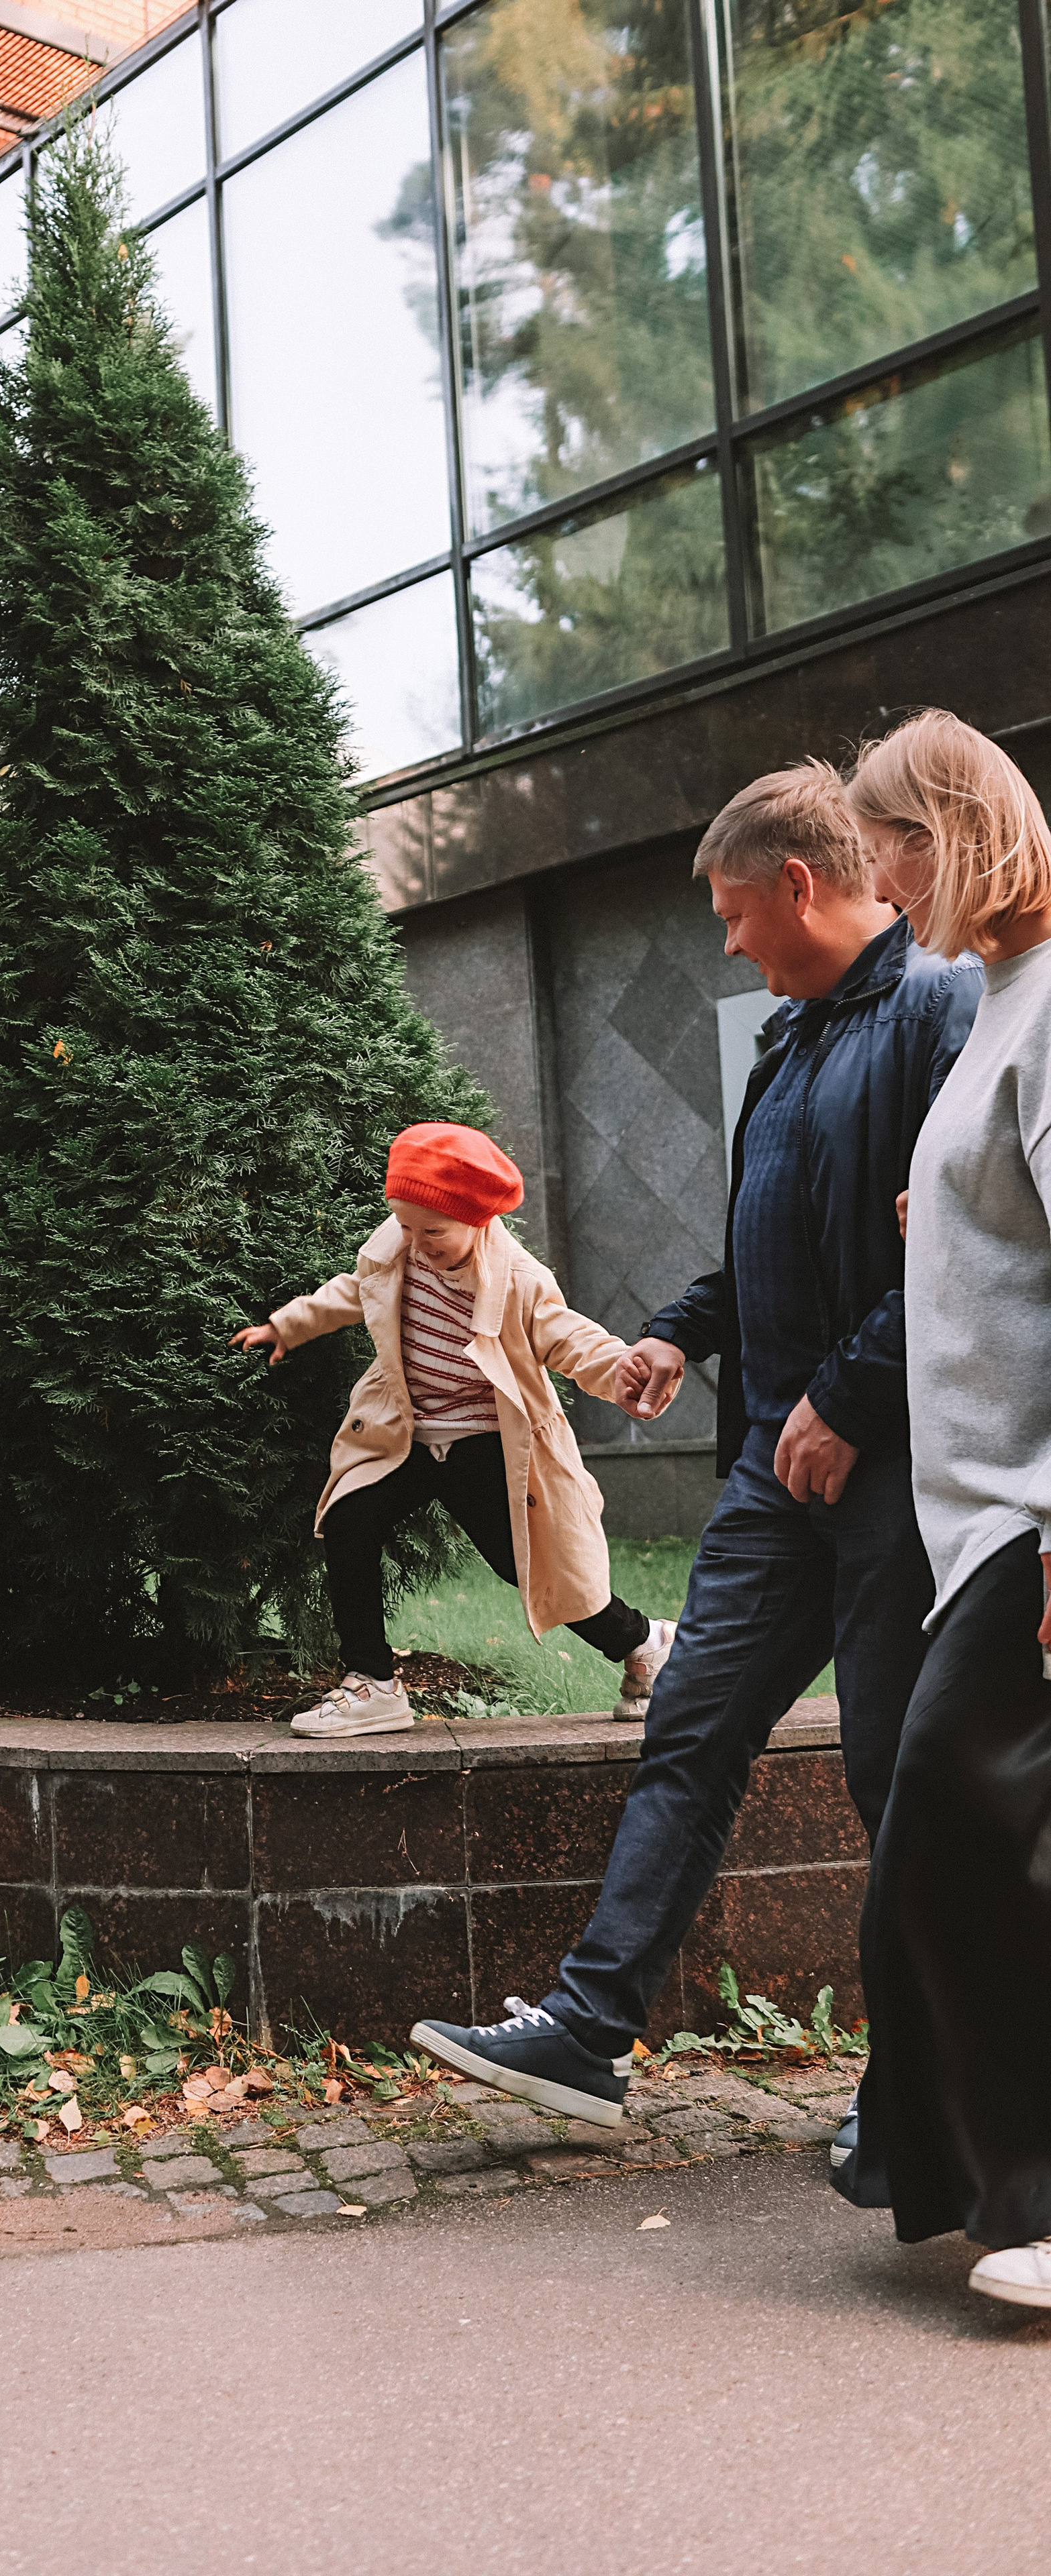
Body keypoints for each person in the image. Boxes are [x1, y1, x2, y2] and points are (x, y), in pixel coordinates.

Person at [408, 761, 981, 2124]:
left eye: (733, 914)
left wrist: (847, 1401)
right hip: (772, 1469)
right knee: (687, 1724)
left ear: (796, 883)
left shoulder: (933, 1008)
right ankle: (587, 2030)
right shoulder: (786, 1042)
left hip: (892, 1469)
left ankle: (918, 2084)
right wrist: (675, 1331)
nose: (724, 942)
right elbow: (764, 1243)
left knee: (889, 1771)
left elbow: (964, 1245)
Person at [836, 711, 1051, 2308]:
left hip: (1033, 1513)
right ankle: (960, 2171)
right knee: (968, 1839)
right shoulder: (988, 1001)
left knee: (951, 1833)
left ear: (957, 826)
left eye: (889, 841)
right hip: (975, 1513)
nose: (875, 874)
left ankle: (1024, 2194)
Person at [229, 1120, 675, 1739]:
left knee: (530, 1567)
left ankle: (646, 1642)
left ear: (479, 1220)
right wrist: (288, 1325)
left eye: (432, 1232)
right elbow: (354, 1292)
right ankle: (373, 1684)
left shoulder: (518, 1280)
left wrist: (617, 1368)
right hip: (404, 1433)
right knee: (349, 1520)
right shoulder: (396, 1248)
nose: (417, 1244)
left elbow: (568, 1337)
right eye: (405, 1227)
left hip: (486, 1442)